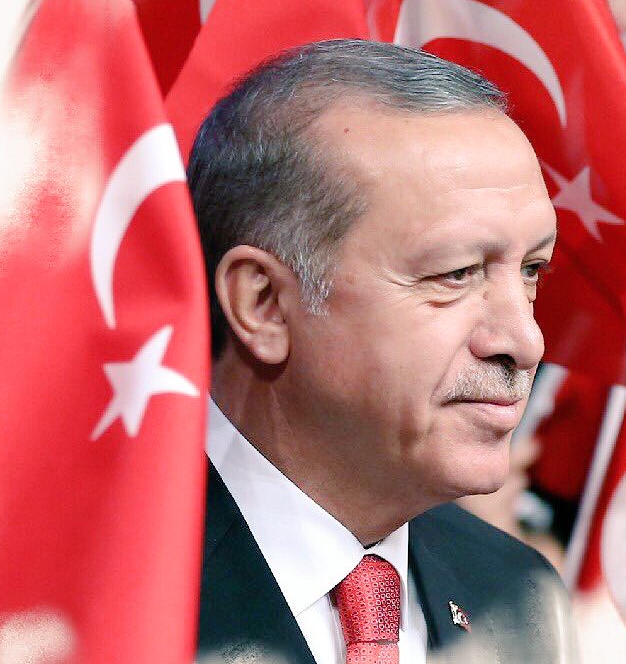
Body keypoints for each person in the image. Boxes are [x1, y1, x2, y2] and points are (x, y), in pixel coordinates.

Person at [187, 38, 576, 664]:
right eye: (456, 273)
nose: (525, 342)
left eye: (532, 270)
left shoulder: (517, 596)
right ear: (264, 304)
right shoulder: (86, 597)